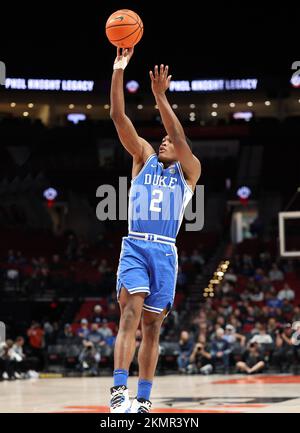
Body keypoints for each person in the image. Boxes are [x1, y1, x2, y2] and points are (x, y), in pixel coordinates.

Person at [109, 47, 201, 413]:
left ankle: (144, 399)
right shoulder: (143, 158)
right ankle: (119, 392)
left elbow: (177, 135)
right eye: (160, 139)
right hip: (135, 245)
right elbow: (118, 116)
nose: (163, 141)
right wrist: (119, 68)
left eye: (169, 141)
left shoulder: (190, 171)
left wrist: (161, 96)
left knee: (152, 328)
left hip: (165, 251)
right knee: (129, 312)